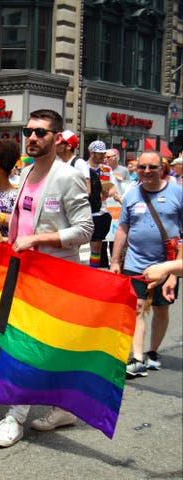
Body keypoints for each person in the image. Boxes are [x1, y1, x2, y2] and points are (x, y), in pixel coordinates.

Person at [0, 109, 93, 448]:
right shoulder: (28, 172)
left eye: (41, 133)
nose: (32, 137)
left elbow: (86, 229)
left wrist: (37, 241)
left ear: (57, 138)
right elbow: (28, 223)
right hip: (25, 275)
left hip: (55, 279)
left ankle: (14, 417)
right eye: (28, 131)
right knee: (40, 347)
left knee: (27, 348)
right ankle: (64, 407)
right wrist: (2, 219)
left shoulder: (66, 176)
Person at [110, 150, 183, 377]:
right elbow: (123, 229)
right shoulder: (132, 194)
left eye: (152, 167)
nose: (147, 171)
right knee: (137, 308)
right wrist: (114, 260)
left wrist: (174, 272)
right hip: (136, 261)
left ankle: (152, 352)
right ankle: (138, 358)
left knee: (161, 308)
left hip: (168, 263)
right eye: (142, 167)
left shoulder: (177, 193)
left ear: (162, 168)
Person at [85, 140, 112, 268]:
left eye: (104, 153)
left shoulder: (107, 169)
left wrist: (109, 192)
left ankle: (93, 270)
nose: (103, 156)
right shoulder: (82, 167)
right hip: (83, 211)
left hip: (100, 211)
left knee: (96, 247)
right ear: (91, 152)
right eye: (99, 153)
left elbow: (112, 189)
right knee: (74, 244)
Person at [56, 129, 91, 194]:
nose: (56, 145)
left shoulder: (79, 163)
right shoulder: (56, 162)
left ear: (69, 146)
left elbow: (87, 190)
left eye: (59, 143)